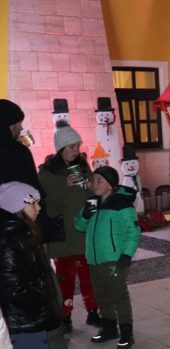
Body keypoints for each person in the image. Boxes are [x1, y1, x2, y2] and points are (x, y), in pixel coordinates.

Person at [0, 99, 85, 349]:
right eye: (18, 123)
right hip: (22, 230)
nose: (20, 128)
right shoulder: (16, 152)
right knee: (45, 291)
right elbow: (35, 194)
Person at [0, 182, 65, 349]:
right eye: (33, 203)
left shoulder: (22, 232)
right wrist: (38, 296)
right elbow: (11, 284)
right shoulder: (10, 239)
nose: (38, 208)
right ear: (16, 207)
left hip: (28, 313)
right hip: (22, 316)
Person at [38, 122, 101, 334]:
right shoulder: (47, 173)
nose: (76, 151)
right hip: (62, 235)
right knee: (65, 280)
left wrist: (92, 190)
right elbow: (48, 207)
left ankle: (93, 312)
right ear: (60, 148)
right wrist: (66, 187)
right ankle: (65, 317)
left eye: (78, 146)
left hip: (84, 231)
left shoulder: (83, 166)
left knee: (89, 277)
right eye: (72, 147)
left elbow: (91, 199)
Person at [75, 166, 140, 349]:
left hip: (113, 259)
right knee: (101, 294)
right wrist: (85, 214)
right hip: (94, 259)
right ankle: (109, 328)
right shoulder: (93, 203)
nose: (94, 184)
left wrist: (126, 254)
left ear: (110, 184)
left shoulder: (121, 204)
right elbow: (79, 226)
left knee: (119, 295)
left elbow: (133, 231)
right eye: (93, 180)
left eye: (99, 180)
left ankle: (126, 332)